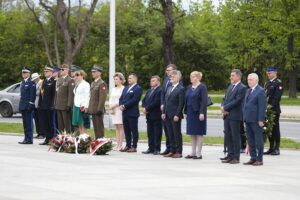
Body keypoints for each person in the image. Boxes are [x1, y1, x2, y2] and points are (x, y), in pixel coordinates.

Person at [220, 69, 247, 164]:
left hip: (235, 115)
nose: (230, 77)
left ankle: (236, 157)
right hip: (227, 115)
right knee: (228, 136)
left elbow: (237, 101)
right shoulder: (230, 86)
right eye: (231, 75)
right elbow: (225, 98)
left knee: (235, 136)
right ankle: (230, 155)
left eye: (232, 75)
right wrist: (222, 106)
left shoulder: (242, 88)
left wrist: (226, 108)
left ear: (238, 77)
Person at [243, 73, 266, 166]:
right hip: (248, 119)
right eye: (248, 79)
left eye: (251, 79)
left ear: (257, 80)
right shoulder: (248, 90)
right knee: (250, 139)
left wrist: (261, 119)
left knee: (258, 140)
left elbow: (262, 107)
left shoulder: (260, 91)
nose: (249, 81)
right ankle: (253, 158)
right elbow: (245, 105)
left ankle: (259, 159)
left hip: (256, 120)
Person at [184, 71, 208, 159]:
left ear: (198, 78)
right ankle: (192, 152)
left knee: (199, 133)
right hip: (190, 112)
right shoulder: (189, 87)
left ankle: (199, 153)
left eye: (193, 76)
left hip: (198, 113)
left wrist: (202, 112)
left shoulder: (202, 87)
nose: (191, 78)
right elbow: (186, 100)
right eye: (191, 76)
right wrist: (185, 112)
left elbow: (204, 101)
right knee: (192, 133)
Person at [162, 70, 185, 158]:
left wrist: (177, 114)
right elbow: (166, 101)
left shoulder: (181, 89)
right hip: (167, 114)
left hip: (175, 115)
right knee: (170, 133)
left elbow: (181, 103)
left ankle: (178, 151)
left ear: (178, 77)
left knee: (176, 133)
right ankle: (172, 150)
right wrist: (164, 112)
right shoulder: (169, 88)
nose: (171, 78)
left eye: (173, 76)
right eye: (170, 77)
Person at [119, 73, 142, 153]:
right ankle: (128, 145)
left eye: (131, 78)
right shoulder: (126, 88)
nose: (129, 79)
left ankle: (134, 146)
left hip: (132, 113)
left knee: (133, 130)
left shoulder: (138, 88)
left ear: (135, 79)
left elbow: (135, 100)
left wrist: (124, 105)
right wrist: (121, 105)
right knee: (126, 130)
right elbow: (121, 98)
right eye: (128, 78)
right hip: (125, 112)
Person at [264, 66, 283, 156]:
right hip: (267, 110)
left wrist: (270, 107)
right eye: (267, 73)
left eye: (270, 73)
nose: (268, 74)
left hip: (274, 110)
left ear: (275, 73)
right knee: (268, 129)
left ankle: (277, 148)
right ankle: (271, 148)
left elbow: (277, 98)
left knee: (275, 129)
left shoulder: (278, 83)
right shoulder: (267, 83)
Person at [142, 75, 162, 155]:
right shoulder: (149, 90)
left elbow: (156, 102)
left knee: (157, 132)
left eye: (153, 80)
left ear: (158, 81)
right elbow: (144, 100)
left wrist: (147, 108)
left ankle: (157, 149)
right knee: (150, 132)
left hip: (156, 114)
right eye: (151, 81)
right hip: (149, 115)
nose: (151, 82)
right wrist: (143, 107)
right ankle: (151, 148)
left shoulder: (160, 90)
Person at [160, 64, 178, 155]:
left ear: (174, 71)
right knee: (167, 130)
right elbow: (163, 93)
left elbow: (176, 95)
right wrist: (162, 103)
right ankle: (168, 148)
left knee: (173, 131)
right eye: (167, 70)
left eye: (169, 70)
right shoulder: (166, 80)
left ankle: (174, 149)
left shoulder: (177, 81)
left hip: (172, 109)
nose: (167, 72)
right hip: (165, 108)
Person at [87, 65, 107, 138]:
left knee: (99, 127)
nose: (92, 73)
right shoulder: (93, 83)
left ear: (99, 73)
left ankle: (101, 142)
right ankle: (97, 142)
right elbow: (91, 97)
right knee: (95, 128)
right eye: (92, 72)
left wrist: (99, 109)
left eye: (94, 72)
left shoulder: (102, 83)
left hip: (98, 109)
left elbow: (102, 98)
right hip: (93, 109)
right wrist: (90, 108)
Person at [54, 64, 74, 134]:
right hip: (58, 105)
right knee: (60, 125)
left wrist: (69, 105)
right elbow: (56, 93)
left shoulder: (70, 80)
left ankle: (68, 139)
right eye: (60, 69)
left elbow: (70, 94)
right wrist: (55, 103)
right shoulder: (59, 79)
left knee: (67, 124)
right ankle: (61, 139)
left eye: (63, 69)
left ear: (67, 70)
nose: (61, 71)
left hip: (65, 106)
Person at [39, 66, 56, 145]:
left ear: (51, 73)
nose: (45, 73)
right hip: (43, 106)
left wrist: (53, 105)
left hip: (50, 106)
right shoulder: (44, 81)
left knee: (50, 123)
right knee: (45, 123)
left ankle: (52, 138)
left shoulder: (54, 81)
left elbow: (54, 95)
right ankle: (47, 138)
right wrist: (40, 104)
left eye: (47, 71)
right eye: (45, 71)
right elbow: (41, 94)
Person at [18, 67, 36, 144]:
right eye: (23, 73)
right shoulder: (22, 82)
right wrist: (20, 106)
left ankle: (30, 139)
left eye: (25, 73)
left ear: (29, 73)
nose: (23, 74)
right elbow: (22, 96)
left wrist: (31, 105)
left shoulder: (31, 82)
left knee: (29, 124)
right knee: (25, 124)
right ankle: (26, 138)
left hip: (28, 106)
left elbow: (32, 95)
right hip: (23, 106)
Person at [109, 72, 125, 151]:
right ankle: (117, 144)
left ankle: (120, 144)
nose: (115, 80)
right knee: (116, 127)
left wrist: (114, 105)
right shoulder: (113, 89)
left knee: (120, 127)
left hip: (119, 109)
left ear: (121, 80)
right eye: (114, 79)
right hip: (113, 109)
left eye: (116, 79)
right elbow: (111, 99)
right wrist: (111, 108)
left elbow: (122, 100)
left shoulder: (123, 88)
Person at [72, 70, 91, 134]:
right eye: (75, 75)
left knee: (83, 124)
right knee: (79, 124)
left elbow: (87, 96)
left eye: (78, 75)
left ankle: (84, 140)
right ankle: (81, 139)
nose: (76, 76)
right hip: (76, 105)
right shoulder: (77, 84)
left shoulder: (86, 84)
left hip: (82, 106)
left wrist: (85, 106)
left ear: (82, 76)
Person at [31, 73, 44, 139]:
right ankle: (38, 133)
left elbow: (40, 93)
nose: (34, 80)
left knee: (41, 119)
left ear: (37, 78)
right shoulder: (35, 84)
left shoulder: (42, 82)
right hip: (35, 104)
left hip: (40, 103)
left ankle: (42, 133)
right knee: (36, 119)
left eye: (34, 79)